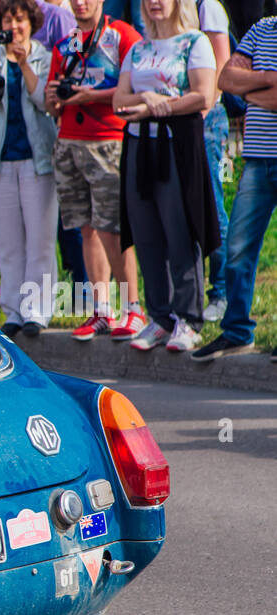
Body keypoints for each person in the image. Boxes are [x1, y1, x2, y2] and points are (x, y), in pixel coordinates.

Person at [113, 0, 218, 352]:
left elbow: (203, 94)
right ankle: (159, 318)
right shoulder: (138, 48)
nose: (155, 2)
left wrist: (161, 106)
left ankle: (188, 319)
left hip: (177, 149)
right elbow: (118, 100)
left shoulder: (194, 42)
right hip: (140, 148)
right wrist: (145, 97)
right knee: (147, 233)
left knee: (179, 230)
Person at [46, 0, 145, 340]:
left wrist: (90, 97)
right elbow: (53, 100)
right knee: (86, 228)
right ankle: (102, 309)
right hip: (69, 140)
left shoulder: (122, 35)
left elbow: (135, 89)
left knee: (113, 229)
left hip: (109, 140)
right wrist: (54, 99)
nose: (80, 2)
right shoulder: (65, 43)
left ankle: (133, 307)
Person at [191, 14, 277, 362]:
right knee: (239, 247)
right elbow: (226, 78)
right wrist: (268, 79)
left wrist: (252, 89)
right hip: (257, 158)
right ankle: (237, 331)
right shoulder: (262, 28)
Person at [0, 0, 62, 335]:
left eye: (20, 19)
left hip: (37, 159)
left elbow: (44, 101)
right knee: (9, 242)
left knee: (40, 240)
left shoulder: (44, 56)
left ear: (32, 22)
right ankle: (13, 310)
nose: (14, 25)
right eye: (8, 19)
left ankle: (38, 310)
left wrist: (25, 63)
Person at [198, 0, 234, 322]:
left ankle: (221, 292)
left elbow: (222, 68)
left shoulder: (207, 6)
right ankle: (190, 295)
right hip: (183, 120)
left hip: (208, 123)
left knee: (215, 210)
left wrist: (200, 112)